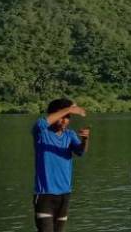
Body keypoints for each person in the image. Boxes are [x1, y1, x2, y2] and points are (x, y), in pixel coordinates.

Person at [32, 99, 90, 232]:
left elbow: (80, 151)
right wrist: (69, 109)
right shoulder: (41, 132)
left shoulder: (69, 135)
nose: (65, 121)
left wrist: (85, 139)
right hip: (45, 195)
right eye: (62, 117)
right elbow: (42, 122)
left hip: (64, 195)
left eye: (68, 118)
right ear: (54, 115)